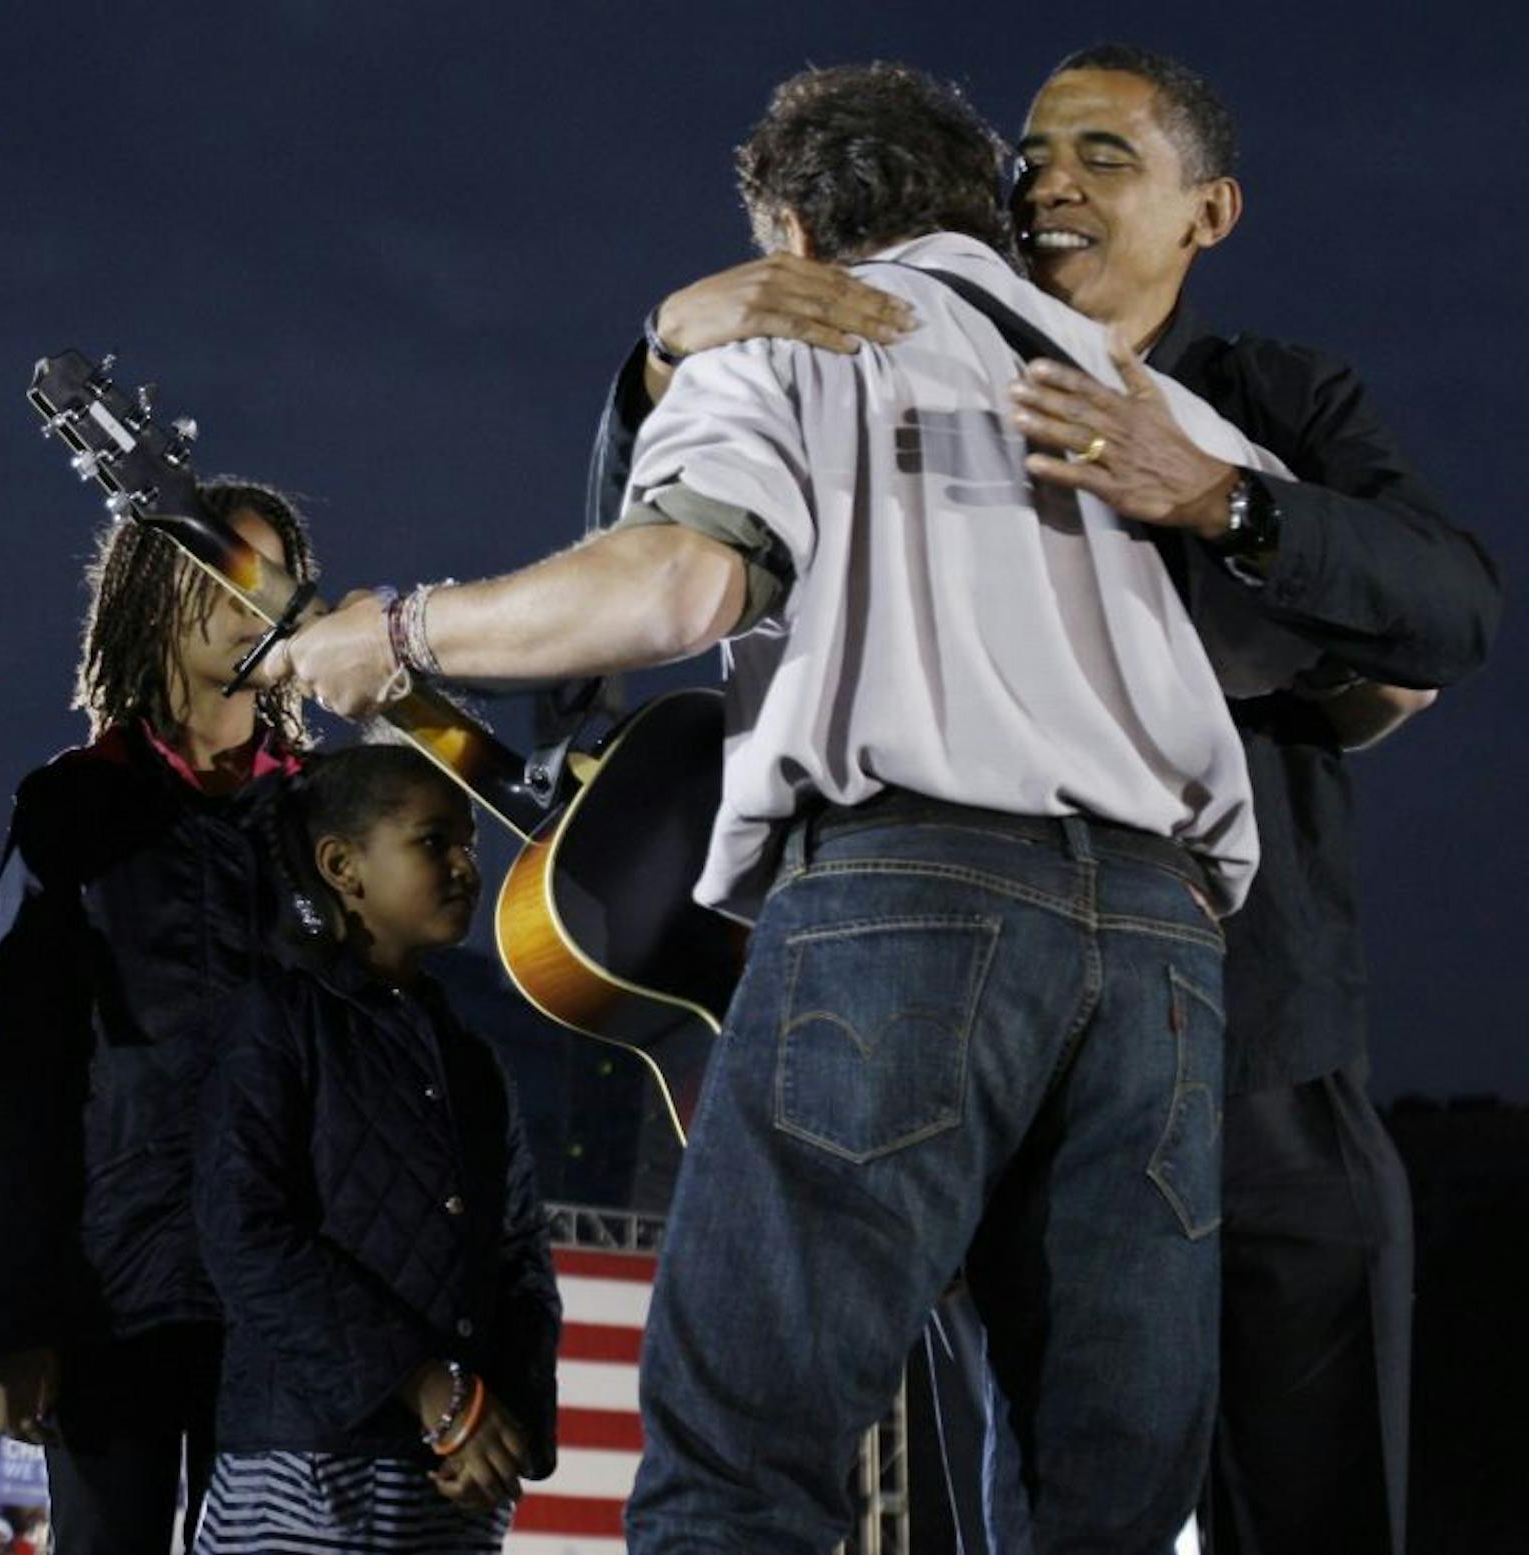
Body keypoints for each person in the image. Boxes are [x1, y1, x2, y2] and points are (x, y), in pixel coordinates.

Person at [272, 61, 1308, 1552]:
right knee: (1106, 1511)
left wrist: (400, 634)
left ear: (790, 239)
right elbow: (1361, 671)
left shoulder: (796, 343)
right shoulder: (1160, 408)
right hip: (1165, 953)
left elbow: (681, 580)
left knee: (742, 1475)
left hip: (906, 900)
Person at [608, 45, 1502, 1554]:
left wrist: (1219, 498)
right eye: (1030, 153)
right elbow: (675, 557)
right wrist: (660, 353)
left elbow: (1450, 610)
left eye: (1104, 155)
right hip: (999, 1034)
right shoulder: (882, 341)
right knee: (1041, 1486)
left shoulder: (1269, 401)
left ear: (1208, 210)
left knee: (1301, 1495)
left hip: (1256, 1033)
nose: (1050, 183)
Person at [0, 482, 316, 1554]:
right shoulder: (72, 807)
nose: (253, 603)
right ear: (158, 594)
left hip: (283, 1308)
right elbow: (19, 1078)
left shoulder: (328, 820)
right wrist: (14, 1319)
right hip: (107, 1298)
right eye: (225, 575)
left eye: (274, 577)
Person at [190, 743, 561, 1553]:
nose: (467, 864)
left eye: (469, 842)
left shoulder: (473, 1060)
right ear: (342, 865)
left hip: (451, 1478)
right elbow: (242, 1231)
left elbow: (521, 1254)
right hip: (307, 1466)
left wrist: (509, 1426)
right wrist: (426, 1383)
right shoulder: (279, 1018)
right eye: (434, 841)